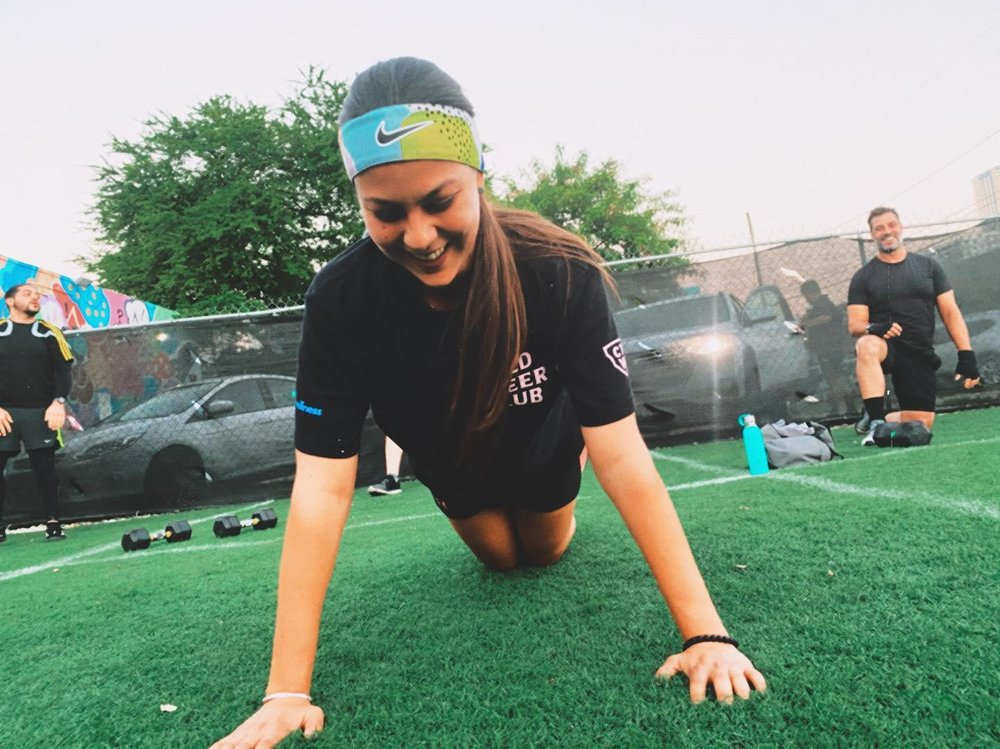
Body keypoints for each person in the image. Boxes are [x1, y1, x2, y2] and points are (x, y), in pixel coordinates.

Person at [212, 57, 765, 748]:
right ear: (360, 202)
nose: (419, 236)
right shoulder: (341, 299)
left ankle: (561, 476)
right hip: (450, 461)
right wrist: (286, 692)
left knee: (545, 549)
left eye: (439, 200)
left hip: (544, 444)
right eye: (386, 212)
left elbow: (624, 456)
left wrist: (706, 633)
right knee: (500, 560)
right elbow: (322, 488)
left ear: (478, 175)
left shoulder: (558, 268)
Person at [847, 207, 981, 445]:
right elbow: (855, 324)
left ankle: (876, 415)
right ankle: (876, 421)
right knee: (866, 344)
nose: (887, 231)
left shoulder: (928, 267)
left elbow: (950, 312)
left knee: (920, 426)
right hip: (886, 347)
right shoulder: (863, 276)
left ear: (900, 227)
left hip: (918, 351)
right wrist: (874, 327)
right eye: (879, 228)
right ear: (872, 234)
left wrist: (966, 354)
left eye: (891, 225)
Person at [0, 283, 74, 542]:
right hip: (4, 414)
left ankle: (53, 522)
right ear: (10, 301)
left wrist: (58, 402)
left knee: (45, 468)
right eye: (27, 294)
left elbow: (63, 372)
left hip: (40, 412)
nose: (35, 298)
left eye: (37, 295)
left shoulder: (49, 332)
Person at [798, 279, 854, 414]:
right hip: (827, 348)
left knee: (835, 377)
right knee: (832, 378)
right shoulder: (817, 306)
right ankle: (843, 406)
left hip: (831, 348)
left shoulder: (823, 303)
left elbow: (826, 318)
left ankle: (845, 406)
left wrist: (808, 323)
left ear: (810, 293)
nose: (806, 299)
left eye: (806, 295)